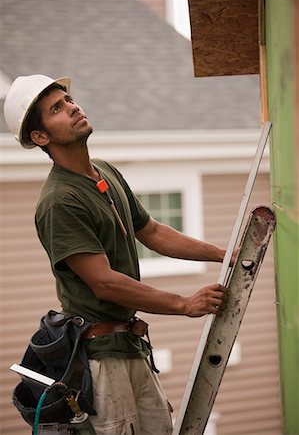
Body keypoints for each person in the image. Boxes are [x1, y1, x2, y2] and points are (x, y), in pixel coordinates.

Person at [4, 75, 231, 435]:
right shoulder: (60, 201)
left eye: (69, 99)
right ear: (40, 137)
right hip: (99, 358)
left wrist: (224, 254)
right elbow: (104, 283)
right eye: (56, 109)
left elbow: (153, 232)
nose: (73, 107)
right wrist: (185, 304)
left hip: (130, 345)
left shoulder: (105, 172)